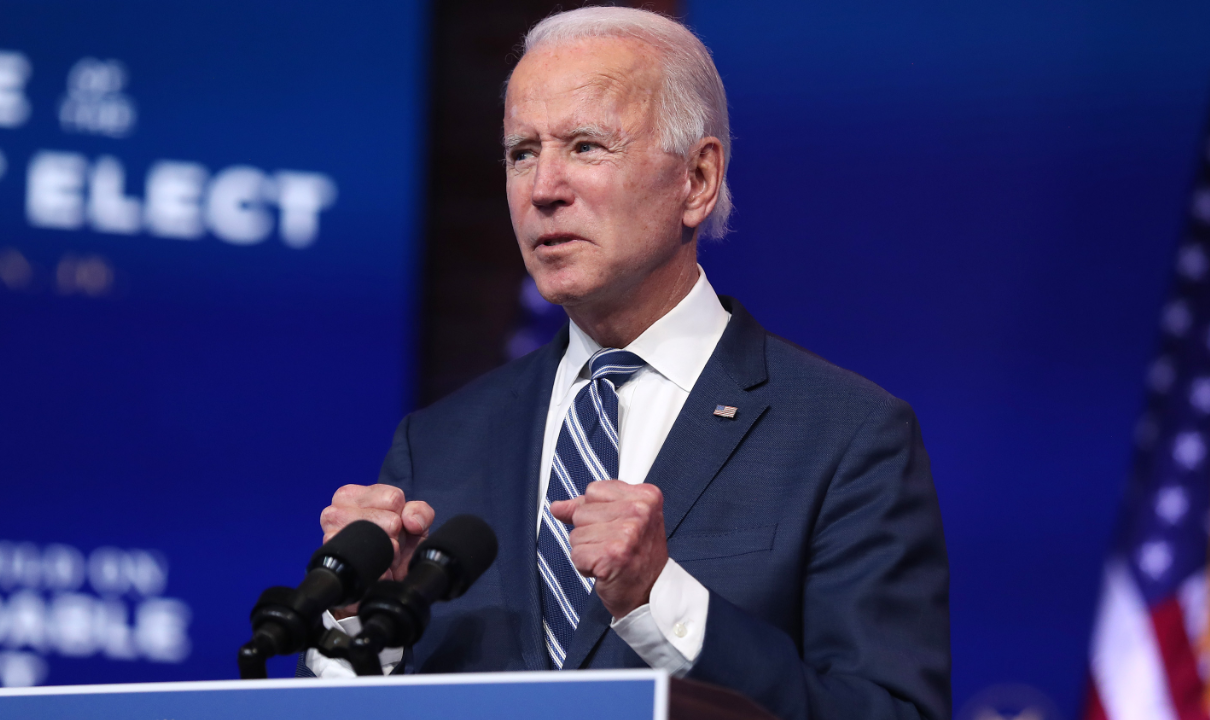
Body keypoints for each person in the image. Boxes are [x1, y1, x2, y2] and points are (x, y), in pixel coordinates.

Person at [305, 7, 950, 720]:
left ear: (697, 180)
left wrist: (659, 599)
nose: (543, 188)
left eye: (585, 146)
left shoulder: (845, 435)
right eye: (522, 152)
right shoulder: (437, 443)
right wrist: (357, 621)